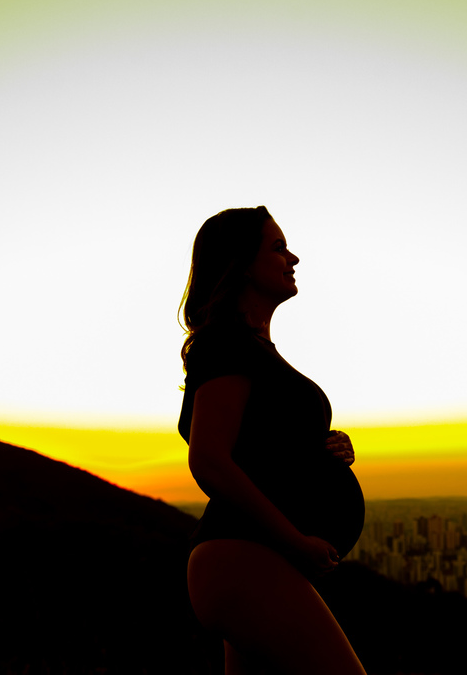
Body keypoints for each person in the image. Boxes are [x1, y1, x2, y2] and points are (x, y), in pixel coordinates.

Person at [178, 206, 366, 675]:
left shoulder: (251, 349)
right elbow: (210, 460)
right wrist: (296, 541)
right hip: (243, 559)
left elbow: (257, 447)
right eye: (278, 247)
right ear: (241, 263)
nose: (294, 257)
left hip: (252, 563)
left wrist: (323, 446)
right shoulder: (227, 344)